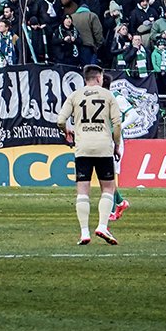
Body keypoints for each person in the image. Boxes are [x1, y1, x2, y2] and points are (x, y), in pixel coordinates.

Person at [57, 65, 125, 246]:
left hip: (83, 148)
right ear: (98, 78)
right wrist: (116, 145)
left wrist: (67, 131)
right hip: (103, 147)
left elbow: (60, 120)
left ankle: (84, 232)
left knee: (82, 191)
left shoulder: (75, 96)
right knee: (108, 188)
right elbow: (117, 124)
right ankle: (102, 226)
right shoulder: (108, 96)